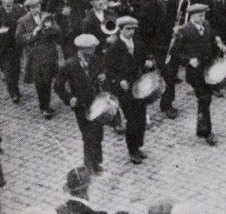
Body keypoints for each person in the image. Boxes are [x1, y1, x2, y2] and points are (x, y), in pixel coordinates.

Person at [54, 34, 107, 174]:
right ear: (83, 49)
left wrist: (103, 77)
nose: (94, 50)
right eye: (91, 48)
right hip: (81, 106)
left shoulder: (96, 60)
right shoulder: (69, 64)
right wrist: (69, 98)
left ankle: (96, 162)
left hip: (97, 103)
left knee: (98, 134)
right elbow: (58, 86)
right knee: (88, 135)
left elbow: (102, 72)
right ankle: (89, 165)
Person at [104, 16, 153, 165]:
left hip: (139, 85)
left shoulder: (138, 44)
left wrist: (149, 64)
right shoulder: (114, 47)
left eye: (133, 29)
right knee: (132, 120)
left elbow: (145, 60)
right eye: (128, 29)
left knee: (141, 117)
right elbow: (108, 69)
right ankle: (132, 150)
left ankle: (138, 146)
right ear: (120, 29)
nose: (131, 32)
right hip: (125, 89)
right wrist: (119, 81)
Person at [170, 3, 219, 146]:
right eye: (199, 15)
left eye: (204, 15)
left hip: (208, 70)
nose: (202, 18)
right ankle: (207, 132)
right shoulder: (184, 30)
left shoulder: (207, 25)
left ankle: (201, 127)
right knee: (204, 99)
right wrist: (188, 60)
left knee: (205, 100)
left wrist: (218, 48)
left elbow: (212, 42)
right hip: (195, 73)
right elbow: (175, 52)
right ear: (192, 16)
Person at [16, 0, 61, 119]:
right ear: (28, 9)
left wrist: (49, 29)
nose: (36, 9)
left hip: (49, 54)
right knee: (40, 82)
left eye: (38, 6)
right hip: (34, 56)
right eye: (33, 8)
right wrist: (33, 33)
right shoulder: (23, 21)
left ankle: (45, 104)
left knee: (48, 80)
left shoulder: (47, 16)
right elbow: (19, 38)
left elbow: (58, 31)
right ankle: (44, 107)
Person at [0, 0, 24, 103]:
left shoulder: (19, 9)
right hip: (2, 46)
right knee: (8, 70)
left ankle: (14, 86)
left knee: (16, 69)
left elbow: (26, 21)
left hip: (16, 45)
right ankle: (14, 93)